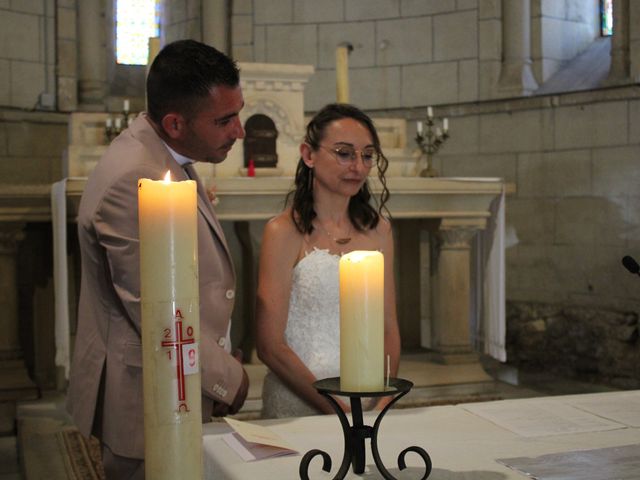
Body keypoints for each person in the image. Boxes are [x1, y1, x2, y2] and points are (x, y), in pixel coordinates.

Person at [66, 39, 249, 479]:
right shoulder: (134, 176)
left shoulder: (160, 154)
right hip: (148, 398)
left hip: (177, 380)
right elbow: (155, 310)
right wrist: (229, 377)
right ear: (174, 123)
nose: (239, 131)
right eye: (225, 120)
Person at [255, 103, 401, 418]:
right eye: (345, 153)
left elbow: (388, 327)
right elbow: (269, 345)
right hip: (300, 400)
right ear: (309, 155)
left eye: (367, 155)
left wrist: (383, 399)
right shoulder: (283, 232)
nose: (358, 167)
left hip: (366, 401)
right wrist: (336, 408)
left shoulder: (379, 232)